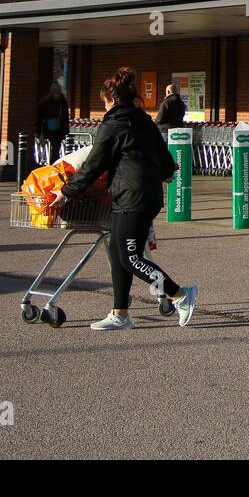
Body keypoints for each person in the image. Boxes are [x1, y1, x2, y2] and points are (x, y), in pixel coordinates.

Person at [47, 68, 197, 330]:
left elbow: (93, 164)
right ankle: (120, 313)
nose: (103, 106)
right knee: (118, 253)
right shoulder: (143, 120)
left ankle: (180, 294)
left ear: (111, 100)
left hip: (133, 198)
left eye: (104, 101)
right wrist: (163, 173)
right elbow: (164, 157)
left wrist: (66, 192)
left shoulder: (113, 124)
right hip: (138, 195)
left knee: (131, 258)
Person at [36, 82, 70, 163]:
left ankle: (52, 162)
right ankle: (52, 162)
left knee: (53, 147)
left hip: (52, 128)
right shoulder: (61, 101)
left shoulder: (48, 101)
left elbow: (40, 115)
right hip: (54, 128)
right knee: (54, 148)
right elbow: (65, 116)